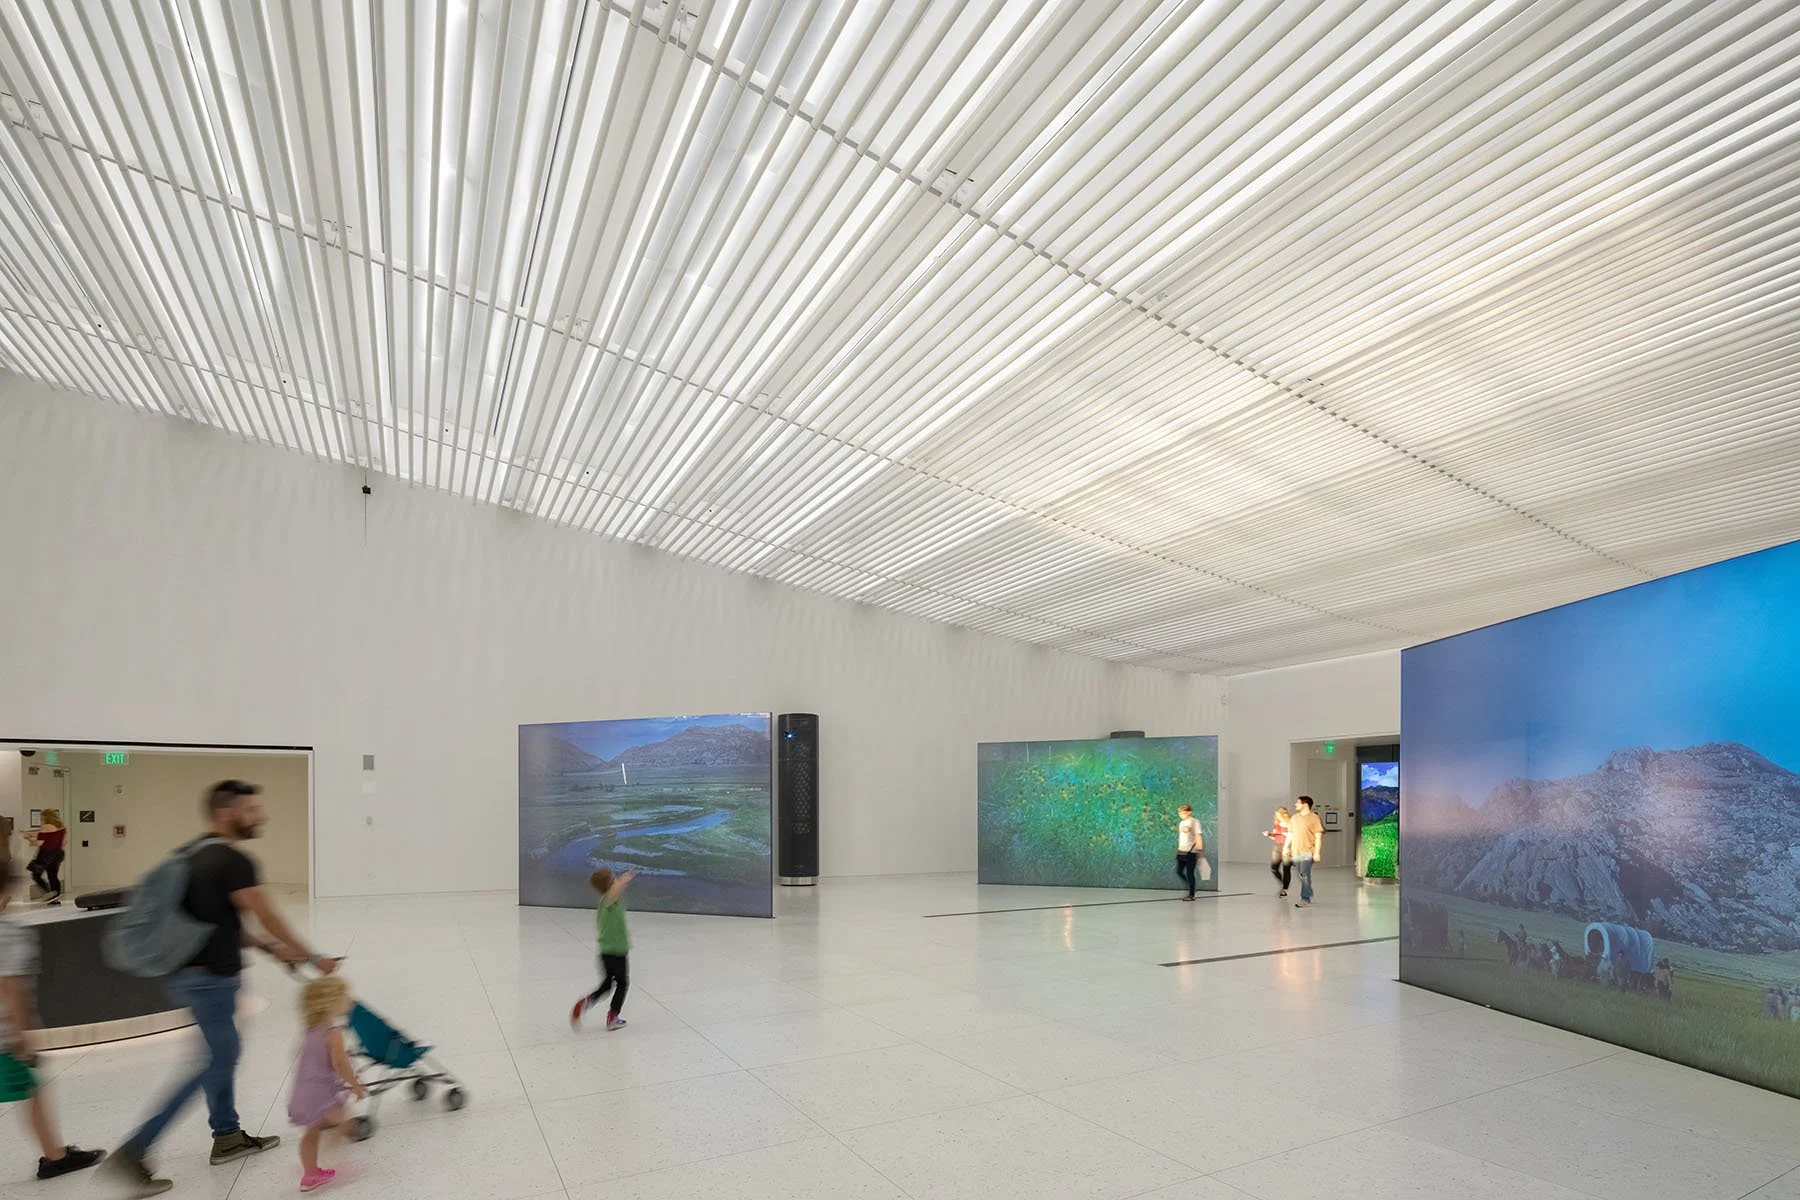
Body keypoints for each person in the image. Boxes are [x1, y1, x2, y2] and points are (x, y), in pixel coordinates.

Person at [105, 781, 340, 1197]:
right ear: (227, 812)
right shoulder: (233, 860)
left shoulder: (195, 855)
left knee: (219, 1055)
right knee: (217, 1059)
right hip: (211, 980)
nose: (260, 817)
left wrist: (272, 950)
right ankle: (136, 1149)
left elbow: (221, 924)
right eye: (252, 809)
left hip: (191, 975)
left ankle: (227, 1134)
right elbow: (266, 914)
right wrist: (311, 957)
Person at [0, 856, 107, 1180]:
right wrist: (21, 1035)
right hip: (3, 1038)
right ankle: (55, 1156)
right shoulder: (7, 933)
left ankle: (55, 1154)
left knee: (33, 1091)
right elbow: (11, 986)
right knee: (32, 1091)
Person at [288, 975, 368, 1192]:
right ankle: (333, 1163)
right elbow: (339, 1063)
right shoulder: (334, 1033)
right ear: (332, 1003)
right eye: (344, 997)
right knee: (346, 1122)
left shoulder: (311, 1029)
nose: (348, 1001)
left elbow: (315, 1057)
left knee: (311, 1132)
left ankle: (309, 1174)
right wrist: (355, 1085)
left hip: (301, 1094)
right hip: (320, 1094)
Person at [571, 867, 636, 1031]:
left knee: (607, 984)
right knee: (622, 983)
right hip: (617, 952)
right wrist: (626, 878)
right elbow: (616, 889)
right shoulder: (609, 900)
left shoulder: (606, 902)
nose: (617, 882)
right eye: (613, 879)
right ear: (609, 885)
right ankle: (613, 1017)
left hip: (605, 953)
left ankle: (589, 1001)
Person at [1285, 795, 1324, 908]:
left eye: (1298, 803)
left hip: (1308, 851)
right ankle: (1308, 890)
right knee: (1301, 874)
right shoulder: (1294, 818)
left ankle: (1305, 898)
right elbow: (1290, 834)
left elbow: (1318, 837)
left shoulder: (1314, 818)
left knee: (1304, 874)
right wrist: (1286, 847)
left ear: (1305, 804)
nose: (1295, 804)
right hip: (1296, 851)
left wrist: (1317, 852)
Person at [24, 811, 66, 904]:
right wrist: (30, 833)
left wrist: (28, 839)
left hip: (45, 854)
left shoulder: (45, 826)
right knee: (53, 876)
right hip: (58, 854)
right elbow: (63, 842)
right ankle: (55, 897)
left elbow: (39, 842)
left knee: (36, 875)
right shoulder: (61, 829)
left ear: (46, 817)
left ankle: (50, 893)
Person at [1173, 805, 1203, 900]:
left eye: (1183, 813)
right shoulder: (1181, 823)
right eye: (1180, 813)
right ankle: (1190, 887)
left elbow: (1198, 836)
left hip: (1191, 852)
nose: (1181, 815)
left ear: (1189, 812)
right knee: (1179, 871)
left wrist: (1199, 849)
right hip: (1181, 851)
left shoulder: (1194, 822)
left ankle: (1191, 894)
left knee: (1190, 873)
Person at [1264, 806, 1293, 896]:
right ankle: (1283, 884)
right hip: (1277, 847)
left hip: (1287, 847)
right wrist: (1269, 835)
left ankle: (1285, 888)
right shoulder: (1277, 824)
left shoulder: (1290, 824)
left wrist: (1287, 846)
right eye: (1276, 816)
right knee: (1274, 868)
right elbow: (1275, 837)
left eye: (1278, 815)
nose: (1277, 817)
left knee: (1286, 868)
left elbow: (1292, 836)